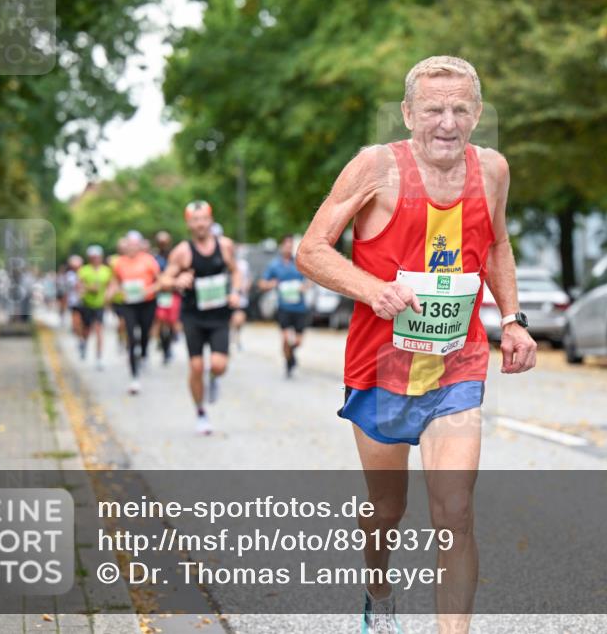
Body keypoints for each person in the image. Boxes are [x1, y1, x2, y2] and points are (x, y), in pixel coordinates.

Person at [296, 56, 536, 634]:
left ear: (477, 114)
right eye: (433, 109)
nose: (447, 122)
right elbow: (311, 250)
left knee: (454, 513)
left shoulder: (494, 171)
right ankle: (378, 592)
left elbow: (498, 244)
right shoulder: (375, 169)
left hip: (457, 365)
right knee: (386, 511)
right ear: (408, 114)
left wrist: (513, 318)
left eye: (460, 109)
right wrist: (371, 289)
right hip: (380, 368)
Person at [161, 201, 243, 435]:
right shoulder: (182, 251)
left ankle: (214, 379)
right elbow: (163, 280)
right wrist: (176, 282)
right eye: (195, 220)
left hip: (219, 315)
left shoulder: (224, 246)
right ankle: (200, 412)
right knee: (196, 367)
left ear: (210, 220)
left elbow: (236, 271)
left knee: (219, 365)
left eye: (203, 219)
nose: (200, 224)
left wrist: (236, 292)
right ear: (188, 223)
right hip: (193, 316)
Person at [107, 231, 161, 395]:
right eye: (129, 244)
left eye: (135, 244)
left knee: (145, 333)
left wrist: (149, 289)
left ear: (139, 246)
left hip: (147, 303)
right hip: (129, 303)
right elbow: (115, 281)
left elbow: (160, 281)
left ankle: (144, 353)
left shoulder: (149, 261)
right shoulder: (119, 262)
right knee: (131, 337)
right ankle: (134, 377)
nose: (132, 248)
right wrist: (110, 293)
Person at [259, 235, 311, 378]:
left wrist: (304, 286)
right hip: (284, 308)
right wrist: (271, 284)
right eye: (286, 244)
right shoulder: (274, 265)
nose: (288, 247)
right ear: (282, 246)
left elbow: (311, 280)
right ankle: (289, 362)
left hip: (300, 308)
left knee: (298, 341)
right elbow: (262, 283)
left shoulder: (300, 263)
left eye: (291, 245)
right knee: (286, 338)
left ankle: (291, 355)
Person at [78, 245, 112, 369]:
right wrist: (88, 288)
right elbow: (79, 286)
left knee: (99, 331)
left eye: (97, 257)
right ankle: (84, 342)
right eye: (93, 257)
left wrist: (108, 297)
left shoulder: (106, 271)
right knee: (87, 329)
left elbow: (110, 286)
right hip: (87, 304)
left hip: (100, 305)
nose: (96, 259)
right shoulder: (84, 270)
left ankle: (99, 358)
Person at [152, 231, 182, 364]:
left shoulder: (175, 256)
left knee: (172, 321)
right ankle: (163, 345)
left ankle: (170, 343)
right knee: (161, 319)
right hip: (160, 294)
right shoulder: (154, 259)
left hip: (173, 293)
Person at [230, 244, 251, 350]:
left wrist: (247, 287)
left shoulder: (244, 264)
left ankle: (237, 336)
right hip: (229, 296)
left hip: (241, 297)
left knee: (239, 319)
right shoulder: (227, 262)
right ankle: (232, 336)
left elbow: (249, 278)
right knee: (233, 318)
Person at [64, 255, 85, 355]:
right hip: (74, 302)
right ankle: (80, 340)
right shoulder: (69, 275)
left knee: (84, 323)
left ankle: (83, 338)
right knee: (76, 321)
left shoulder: (85, 272)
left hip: (85, 302)